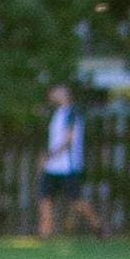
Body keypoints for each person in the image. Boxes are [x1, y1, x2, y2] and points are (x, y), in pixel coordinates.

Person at [37, 83, 107, 240]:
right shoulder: (57, 114)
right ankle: (45, 233)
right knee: (45, 199)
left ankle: (98, 225)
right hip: (52, 167)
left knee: (76, 201)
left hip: (68, 166)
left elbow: (69, 139)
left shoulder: (72, 113)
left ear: (66, 94)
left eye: (57, 91)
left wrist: (50, 155)